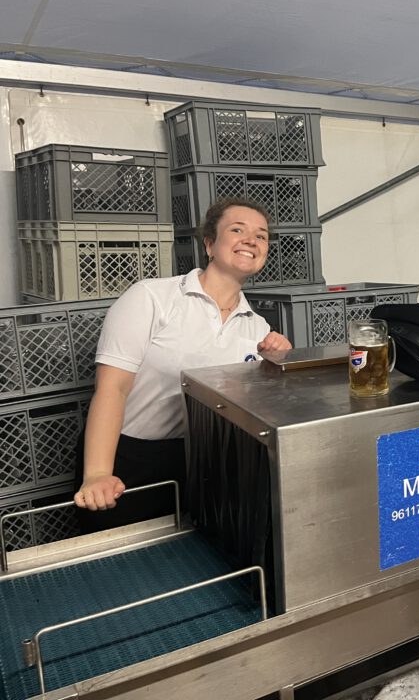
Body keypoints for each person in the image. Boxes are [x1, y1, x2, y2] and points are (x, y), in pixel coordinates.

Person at [74, 197, 292, 530]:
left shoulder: (258, 328)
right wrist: (98, 474)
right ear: (209, 244)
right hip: (127, 456)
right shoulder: (152, 298)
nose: (251, 240)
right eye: (237, 230)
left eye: (261, 236)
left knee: (192, 553)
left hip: (201, 462)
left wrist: (274, 368)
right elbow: (112, 389)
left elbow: (246, 412)